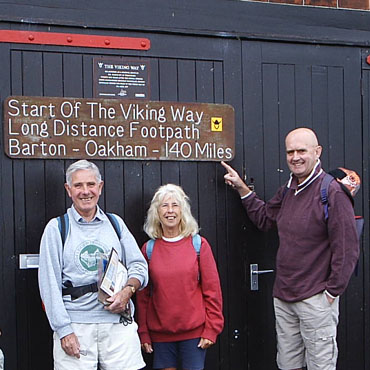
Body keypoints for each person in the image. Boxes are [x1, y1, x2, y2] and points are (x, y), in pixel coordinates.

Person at [221, 127, 360, 370]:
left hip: (316, 299)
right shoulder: (288, 190)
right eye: (290, 152)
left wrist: (331, 293)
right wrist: (242, 188)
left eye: (302, 151)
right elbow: (264, 218)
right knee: (288, 365)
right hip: (284, 297)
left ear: (317, 152)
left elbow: (347, 249)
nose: (295, 157)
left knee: (321, 366)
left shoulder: (332, 192)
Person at [38, 159, 148, 370]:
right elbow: (49, 285)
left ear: (100, 187)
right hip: (76, 326)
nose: (85, 191)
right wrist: (64, 330)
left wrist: (128, 291)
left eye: (90, 184)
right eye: (78, 185)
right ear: (68, 190)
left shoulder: (116, 224)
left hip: (118, 324)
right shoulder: (57, 228)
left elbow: (139, 266)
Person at [136, 184, 224, 370]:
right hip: (161, 337)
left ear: (182, 210)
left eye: (175, 205)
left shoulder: (199, 245)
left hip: (194, 335)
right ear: (157, 212)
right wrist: (143, 332)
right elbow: (143, 297)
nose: (170, 211)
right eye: (164, 206)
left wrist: (212, 328)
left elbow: (213, 291)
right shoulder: (149, 249)